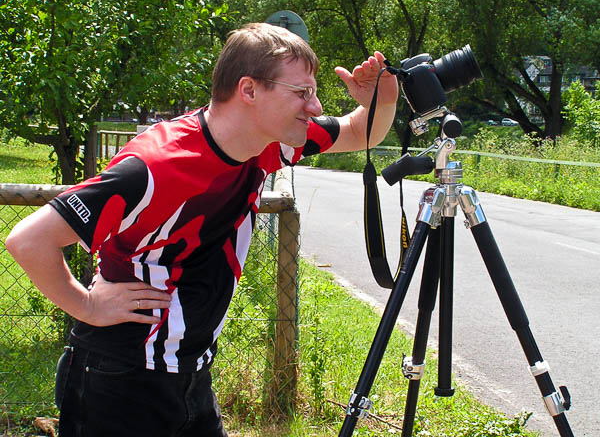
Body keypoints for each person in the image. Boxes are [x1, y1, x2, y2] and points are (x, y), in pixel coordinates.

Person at [5, 22, 398, 436]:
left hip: (191, 374)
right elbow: (29, 241)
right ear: (248, 90)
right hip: (118, 378)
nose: (315, 107)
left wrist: (382, 98)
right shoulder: (156, 165)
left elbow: (359, 131)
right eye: (302, 93)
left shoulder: (270, 142)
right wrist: (85, 306)